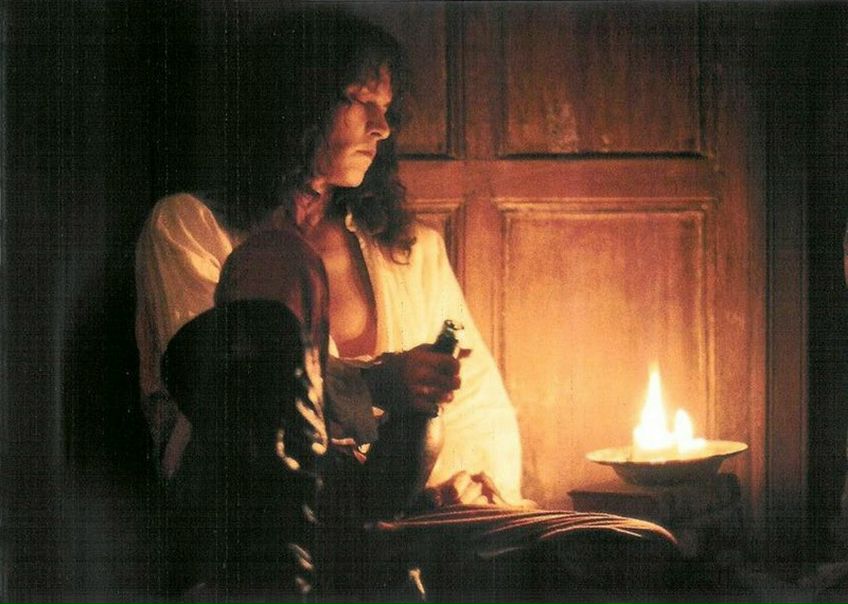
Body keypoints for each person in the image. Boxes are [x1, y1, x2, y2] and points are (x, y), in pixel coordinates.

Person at [135, 7, 678, 598]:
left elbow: (476, 405)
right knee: (279, 269)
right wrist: (376, 384)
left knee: (634, 542)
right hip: (263, 524)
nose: (381, 128)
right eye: (359, 102)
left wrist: (458, 480)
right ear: (296, 104)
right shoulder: (190, 227)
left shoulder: (409, 250)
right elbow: (222, 390)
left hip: (410, 514)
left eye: (387, 109)